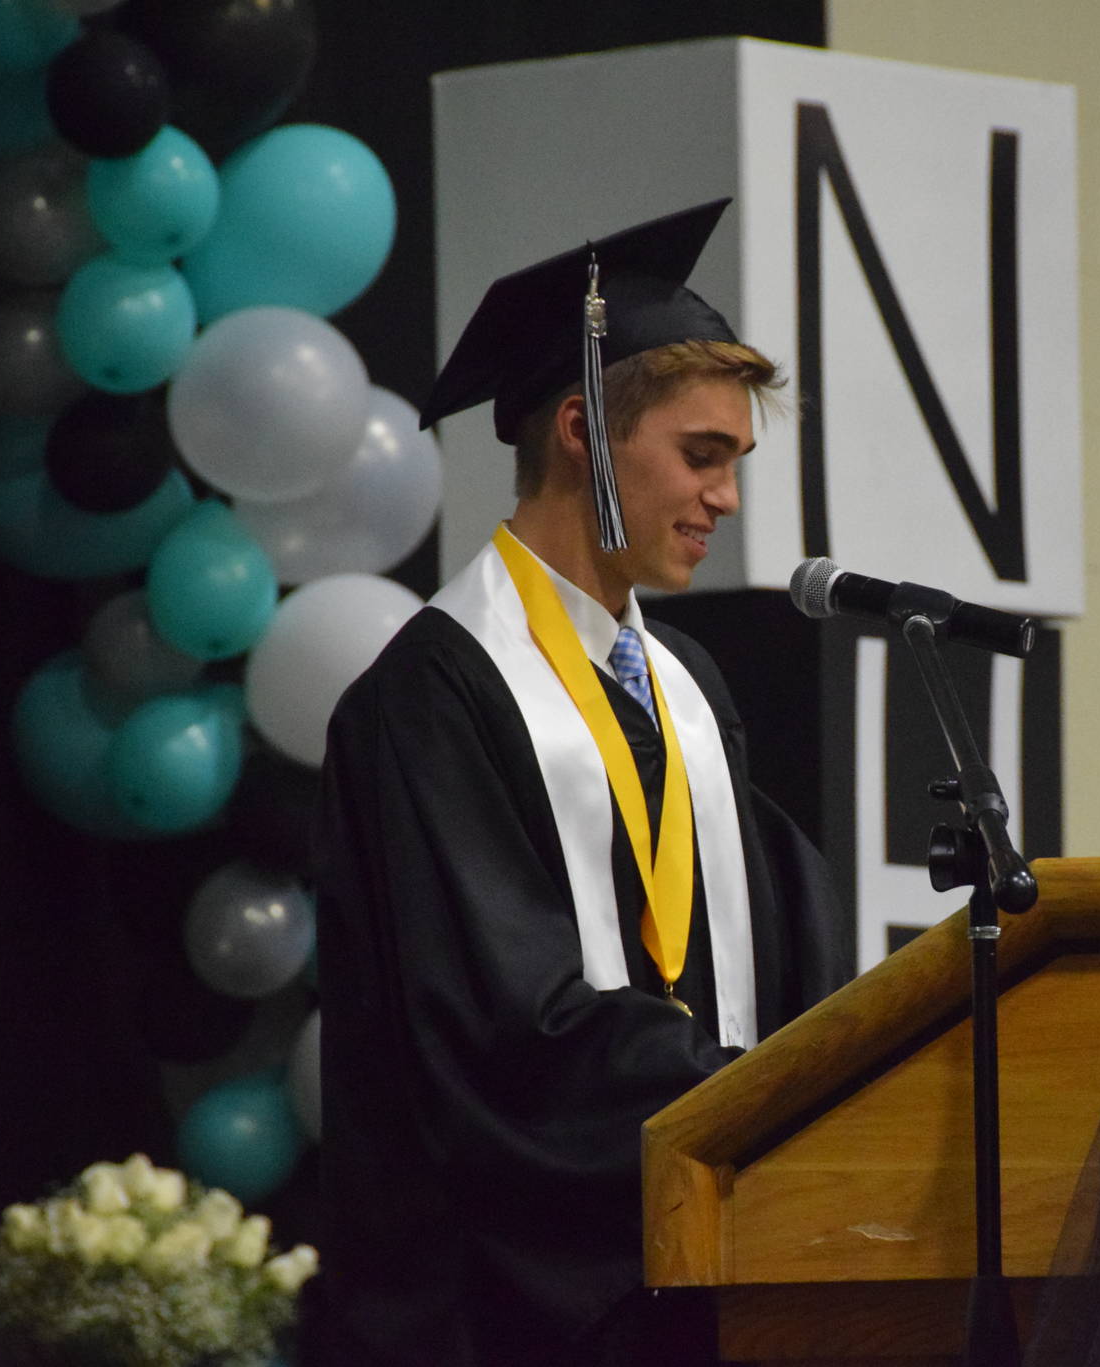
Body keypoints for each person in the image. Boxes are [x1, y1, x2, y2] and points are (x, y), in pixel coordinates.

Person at [310, 200, 853, 1367]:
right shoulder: (427, 699)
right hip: (512, 1305)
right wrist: (737, 1095)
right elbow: (502, 1028)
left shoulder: (686, 688)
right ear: (580, 432)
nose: (727, 498)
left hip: (702, 1274)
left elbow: (776, 942)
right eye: (700, 455)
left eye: (735, 463)